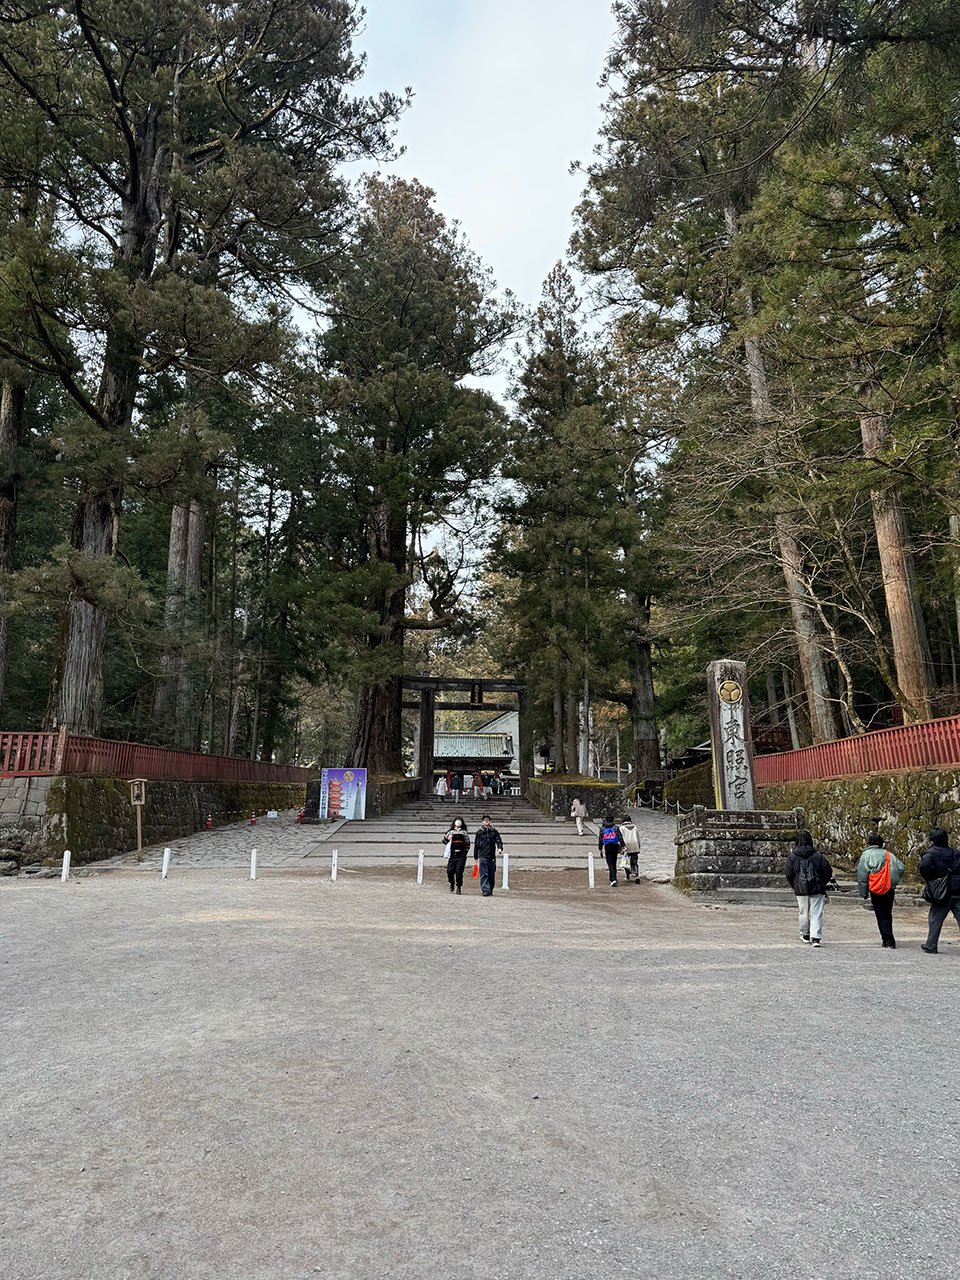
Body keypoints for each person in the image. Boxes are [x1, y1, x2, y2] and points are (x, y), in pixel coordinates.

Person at [856, 832, 905, 949]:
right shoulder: (889, 854)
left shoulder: (866, 855)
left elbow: (862, 875)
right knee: (887, 912)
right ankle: (888, 937)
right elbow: (901, 868)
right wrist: (893, 881)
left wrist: (864, 892)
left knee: (880, 914)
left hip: (876, 887)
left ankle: (888, 940)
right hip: (889, 887)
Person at [785, 830, 833, 946]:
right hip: (817, 887)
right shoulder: (817, 855)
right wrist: (822, 882)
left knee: (803, 911)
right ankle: (815, 937)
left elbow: (789, 873)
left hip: (800, 888)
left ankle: (805, 934)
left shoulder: (792, 857)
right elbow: (828, 871)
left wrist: (795, 885)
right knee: (816, 912)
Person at [918, 827, 960, 954]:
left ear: (932, 841)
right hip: (958, 890)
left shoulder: (930, 854)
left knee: (935, 919)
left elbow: (924, 868)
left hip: (941, 893)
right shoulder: (956, 853)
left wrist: (933, 879)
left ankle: (931, 945)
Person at [473, 813, 503, 897]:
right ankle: (485, 890)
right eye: (485, 820)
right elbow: (476, 845)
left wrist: (500, 848)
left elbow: (498, 840)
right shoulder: (479, 833)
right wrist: (475, 857)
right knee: (483, 874)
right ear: (482, 822)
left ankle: (490, 889)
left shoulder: (494, 831)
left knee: (491, 874)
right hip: (482, 855)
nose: (486, 822)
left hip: (491, 856)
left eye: (488, 820)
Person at [443, 818, 470, 894]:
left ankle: (458, 886)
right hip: (452, 856)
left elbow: (468, 843)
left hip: (461, 856)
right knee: (450, 871)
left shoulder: (464, 832)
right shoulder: (450, 832)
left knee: (459, 872)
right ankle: (451, 883)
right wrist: (448, 839)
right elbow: (444, 841)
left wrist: (465, 852)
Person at [598, 815, 624, 887]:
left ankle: (613, 879)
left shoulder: (602, 829)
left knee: (610, 863)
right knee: (614, 862)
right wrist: (623, 846)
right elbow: (620, 837)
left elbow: (600, 839)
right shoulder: (616, 827)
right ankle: (613, 878)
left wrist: (600, 849)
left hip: (607, 847)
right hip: (615, 846)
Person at [619, 816, 641, 882]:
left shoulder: (622, 828)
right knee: (635, 862)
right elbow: (638, 838)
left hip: (627, 845)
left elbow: (621, 839)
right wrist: (639, 846)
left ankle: (628, 876)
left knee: (626, 862)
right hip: (635, 845)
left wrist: (621, 848)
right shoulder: (635, 827)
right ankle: (636, 875)